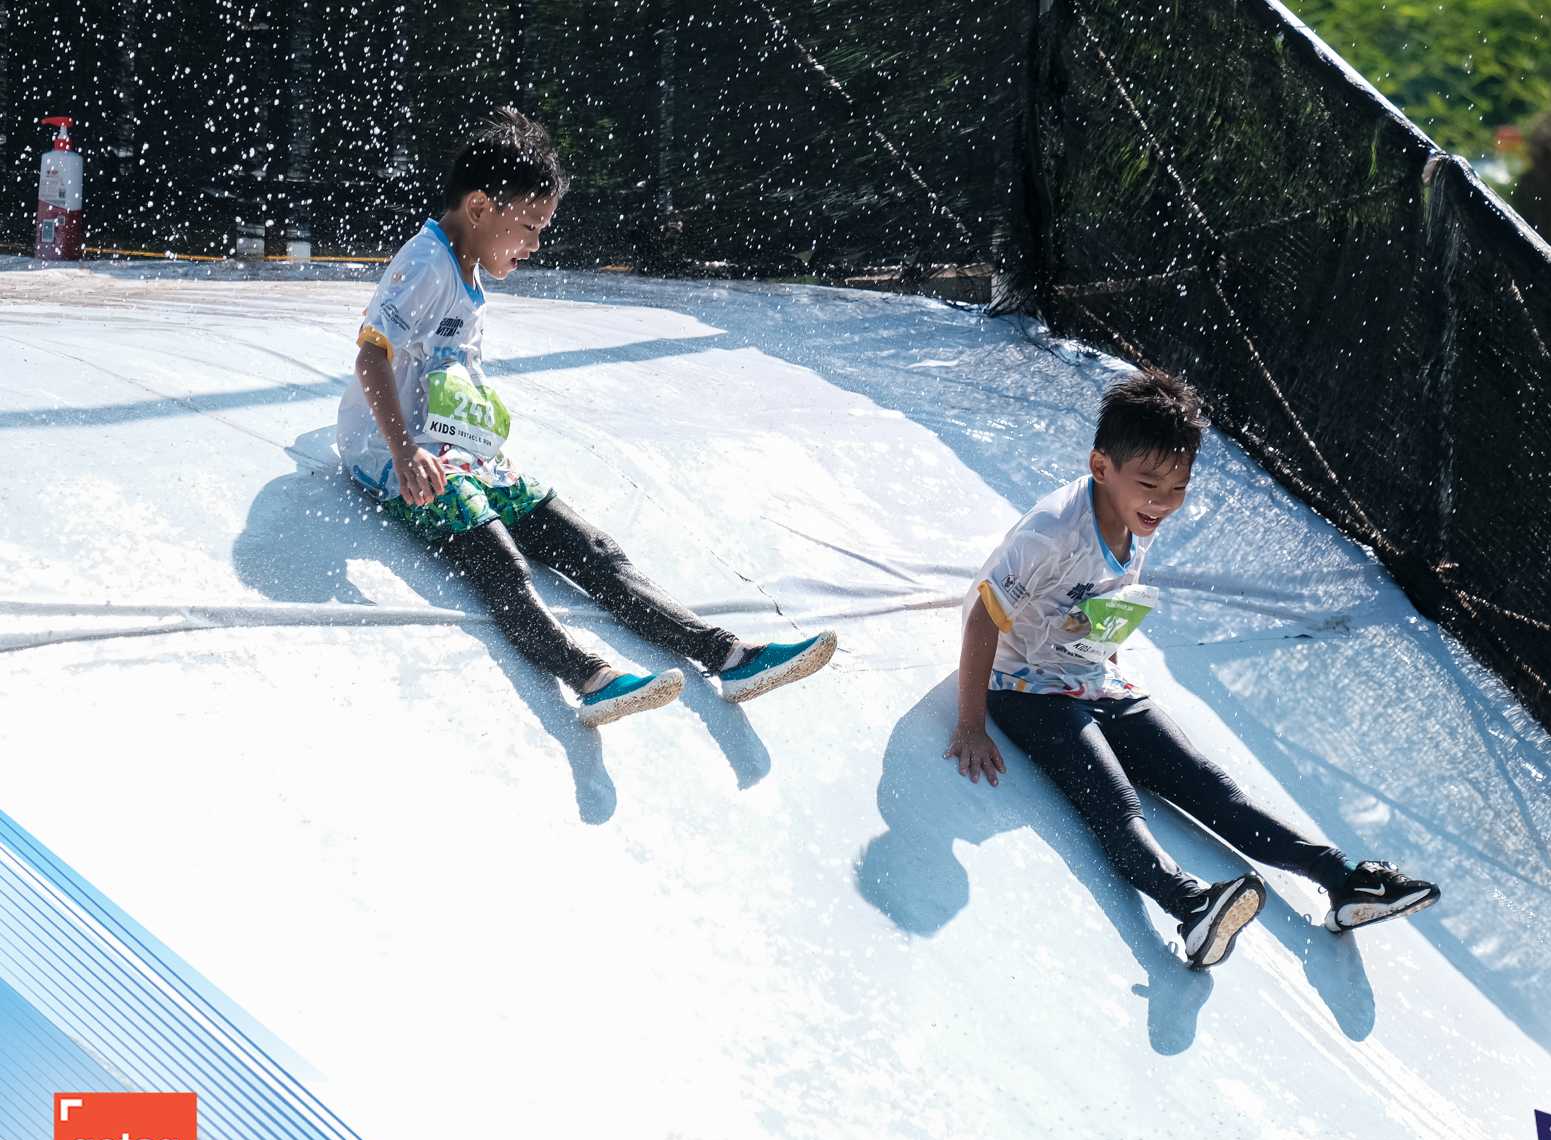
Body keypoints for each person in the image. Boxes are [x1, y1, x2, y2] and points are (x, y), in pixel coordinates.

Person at [336, 108, 834, 727]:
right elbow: (371, 354)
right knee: (499, 557)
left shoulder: (467, 268)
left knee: (592, 547)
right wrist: (403, 449)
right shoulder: (427, 263)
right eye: (530, 226)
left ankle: (729, 656)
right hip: (397, 458)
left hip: (455, 452)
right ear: (480, 207)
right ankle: (590, 678)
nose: (536, 243)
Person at [943, 369, 1439, 969]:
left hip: (1090, 675)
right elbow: (983, 619)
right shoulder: (1053, 530)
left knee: (1211, 785)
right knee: (1115, 801)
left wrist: (1105, 657)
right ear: (1101, 467)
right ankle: (1192, 906)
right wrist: (970, 723)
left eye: (1178, 487)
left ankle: (1343, 879)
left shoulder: (1136, 515)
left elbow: (1101, 592)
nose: (1163, 501)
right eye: (1149, 484)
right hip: (1021, 683)